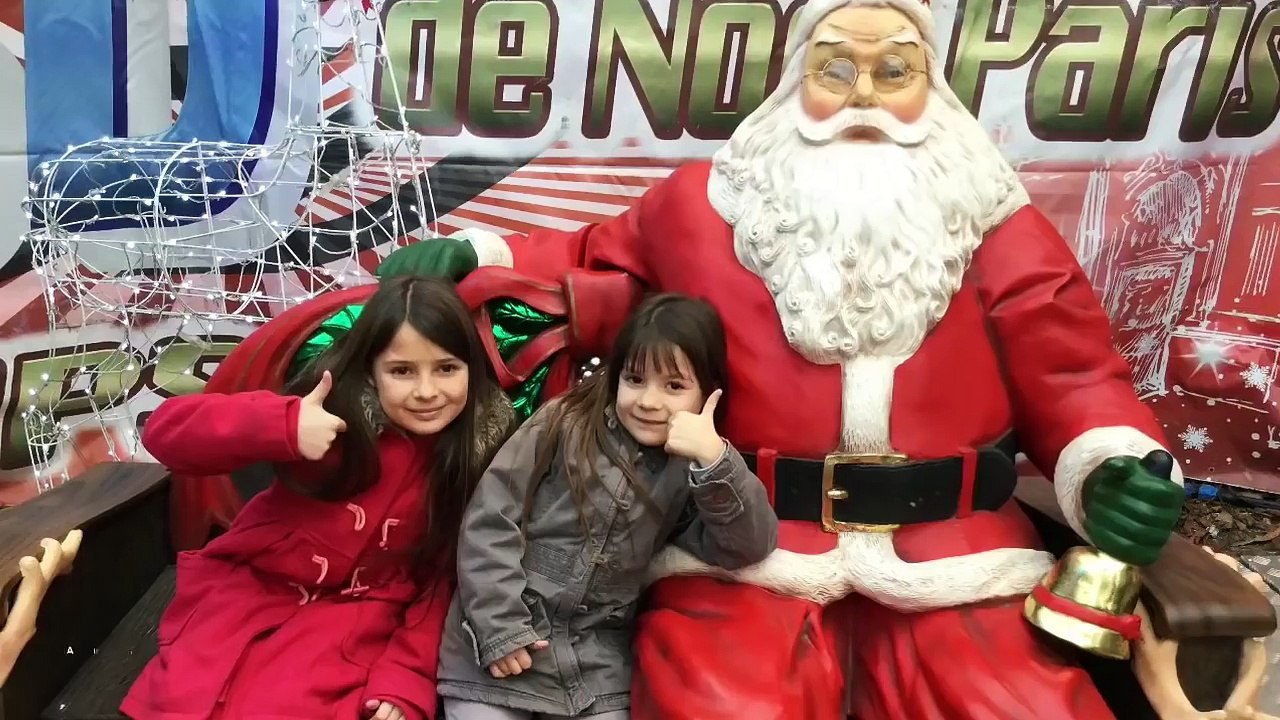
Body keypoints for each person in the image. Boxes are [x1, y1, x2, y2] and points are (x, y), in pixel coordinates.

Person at [375, 1, 1189, 718]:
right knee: (722, 707)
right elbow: (591, 262)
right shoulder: (703, 207)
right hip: (747, 557)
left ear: (931, 86)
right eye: (836, 68)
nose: (864, 95)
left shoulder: (994, 221)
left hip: (959, 563)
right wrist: (475, 253)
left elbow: (1075, 373)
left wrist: (1106, 466)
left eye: (894, 70)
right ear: (797, 80)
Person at [121, 276, 517, 720]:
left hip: (356, 624)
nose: (426, 391)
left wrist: (405, 677)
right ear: (372, 370)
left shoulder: (476, 458)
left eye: (446, 368)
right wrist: (282, 424)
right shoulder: (328, 413)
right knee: (185, 698)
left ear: (470, 369)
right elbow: (165, 433)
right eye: (402, 371)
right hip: (248, 593)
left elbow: (441, 585)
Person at [434, 293, 778, 719]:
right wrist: (500, 626)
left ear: (708, 392)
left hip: (593, 666)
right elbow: (490, 518)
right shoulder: (564, 422)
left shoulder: (693, 468)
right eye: (635, 379)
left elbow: (748, 545)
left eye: (674, 386)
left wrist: (716, 462)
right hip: (498, 647)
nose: (648, 401)